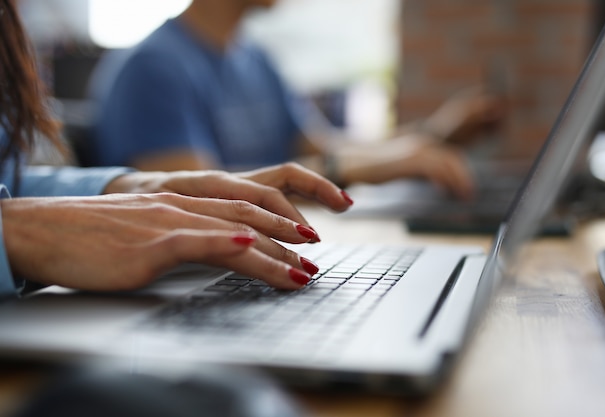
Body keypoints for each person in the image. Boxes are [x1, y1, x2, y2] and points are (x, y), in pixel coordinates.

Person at [0, 0, 353, 300]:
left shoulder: (258, 57)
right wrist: (13, 232)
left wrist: (128, 189)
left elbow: (7, 179)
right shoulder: (155, 63)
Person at [88, 0, 506, 201]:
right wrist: (364, 168)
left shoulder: (255, 59)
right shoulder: (151, 69)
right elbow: (193, 197)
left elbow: (322, 147)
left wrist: (433, 134)